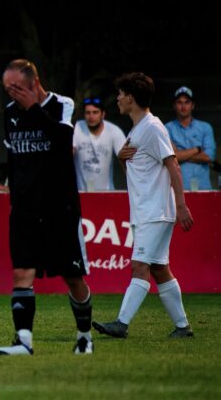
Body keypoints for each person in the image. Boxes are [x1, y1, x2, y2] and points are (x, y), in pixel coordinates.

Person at [0, 59, 95, 356]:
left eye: (16, 87)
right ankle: (24, 341)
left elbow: (63, 142)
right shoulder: (10, 113)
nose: (12, 93)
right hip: (25, 208)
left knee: (72, 276)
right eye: (7, 89)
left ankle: (84, 337)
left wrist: (34, 110)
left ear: (34, 83)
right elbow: (13, 157)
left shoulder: (61, 104)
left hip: (59, 207)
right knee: (22, 273)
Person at [93, 73, 195, 340]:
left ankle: (121, 323)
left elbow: (172, 164)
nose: (117, 98)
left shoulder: (152, 127)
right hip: (147, 211)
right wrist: (121, 159)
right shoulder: (137, 130)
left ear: (132, 98)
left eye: (121, 94)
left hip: (155, 210)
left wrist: (181, 205)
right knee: (160, 269)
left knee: (139, 266)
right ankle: (183, 327)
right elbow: (140, 167)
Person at [165, 86, 216, 190]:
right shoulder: (166, 128)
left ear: (192, 105)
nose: (183, 106)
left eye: (187, 102)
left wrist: (180, 155)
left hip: (203, 188)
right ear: (174, 106)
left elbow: (208, 157)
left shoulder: (205, 127)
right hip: (178, 190)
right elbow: (170, 158)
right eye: (179, 102)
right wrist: (196, 150)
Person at [72, 97, 126, 191]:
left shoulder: (113, 131)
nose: (91, 116)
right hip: (80, 193)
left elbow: (126, 160)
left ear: (102, 114)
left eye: (95, 112)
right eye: (88, 113)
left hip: (106, 193)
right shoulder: (77, 128)